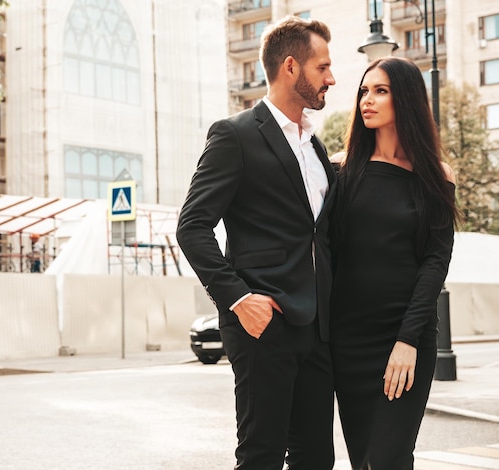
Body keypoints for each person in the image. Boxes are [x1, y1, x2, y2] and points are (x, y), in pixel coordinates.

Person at [176, 16, 337, 470]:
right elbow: (192, 226)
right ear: (291, 67)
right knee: (261, 456)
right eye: (322, 67)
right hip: (263, 326)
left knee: (315, 459)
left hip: (317, 327)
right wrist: (239, 299)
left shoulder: (316, 148)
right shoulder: (235, 135)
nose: (331, 77)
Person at [329, 57, 459, 469]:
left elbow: (436, 262)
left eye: (380, 91)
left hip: (406, 336)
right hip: (348, 339)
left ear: (405, 99)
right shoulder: (341, 170)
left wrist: (407, 340)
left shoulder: (437, 175)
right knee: (364, 460)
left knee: (389, 458)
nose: (367, 100)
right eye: (364, 91)